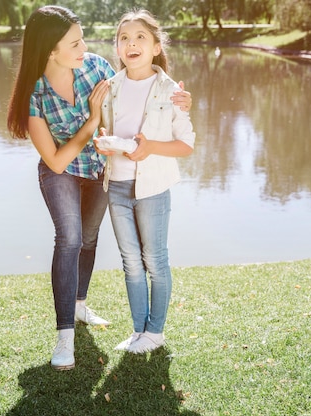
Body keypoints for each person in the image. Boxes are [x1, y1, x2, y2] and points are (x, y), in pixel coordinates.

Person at [6, 5, 192, 370]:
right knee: (70, 238)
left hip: (98, 169)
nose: (84, 48)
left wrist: (179, 100)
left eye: (83, 39)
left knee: (89, 239)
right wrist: (92, 122)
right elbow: (57, 161)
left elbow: (139, 87)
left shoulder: (96, 68)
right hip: (60, 171)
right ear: (50, 51)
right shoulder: (36, 94)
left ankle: (79, 306)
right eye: (75, 43)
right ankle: (65, 337)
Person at [97, 10, 196, 354]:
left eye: (140, 37)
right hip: (118, 187)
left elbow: (186, 145)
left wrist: (151, 147)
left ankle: (156, 333)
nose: (131, 44)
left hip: (153, 189)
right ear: (118, 48)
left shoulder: (171, 91)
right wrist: (104, 138)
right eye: (124, 38)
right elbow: (109, 129)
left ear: (155, 47)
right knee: (130, 262)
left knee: (155, 260)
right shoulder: (110, 87)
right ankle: (139, 331)